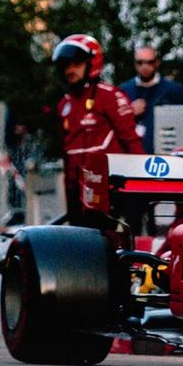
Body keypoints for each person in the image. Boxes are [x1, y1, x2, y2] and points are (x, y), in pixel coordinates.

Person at [53, 34, 143, 224]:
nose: (70, 70)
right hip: (76, 188)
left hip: (109, 185)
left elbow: (131, 141)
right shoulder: (63, 105)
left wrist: (140, 184)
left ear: (91, 63)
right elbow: (65, 151)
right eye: (66, 66)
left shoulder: (110, 96)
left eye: (76, 64)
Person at [118, 44, 183, 154]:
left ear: (157, 62)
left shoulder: (174, 90)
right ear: (135, 64)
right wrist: (130, 112)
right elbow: (115, 126)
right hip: (131, 155)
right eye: (140, 62)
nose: (144, 67)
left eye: (149, 62)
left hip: (165, 154)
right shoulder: (123, 90)